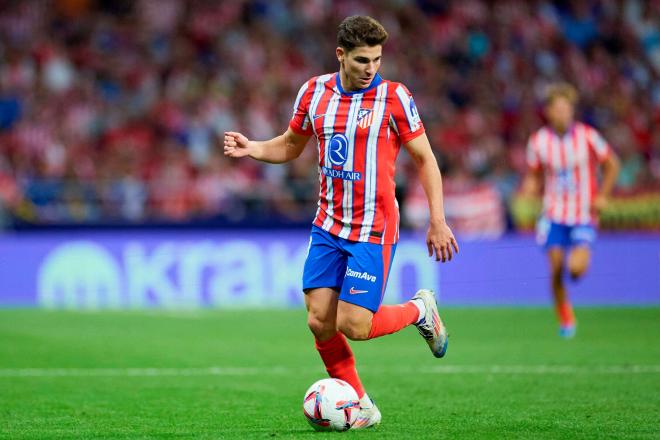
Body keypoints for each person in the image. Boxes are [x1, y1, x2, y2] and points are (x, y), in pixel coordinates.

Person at [224, 15, 459, 429]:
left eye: (378, 59)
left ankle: (420, 309)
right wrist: (253, 148)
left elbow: (425, 159)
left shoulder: (394, 97)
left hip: (373, 228)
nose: (372, 68)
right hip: (328, 226)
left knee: (354, 324)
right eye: (363, 59)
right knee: (318, 320)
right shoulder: (314, 93)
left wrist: (437, 219)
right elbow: (290, 145)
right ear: (341, 55)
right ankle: (363, 407)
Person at [521, 82, 619, 338]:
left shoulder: (588, 136)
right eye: (559, 109)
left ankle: (571, 285)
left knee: (575, 270)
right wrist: (529, 189)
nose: (564, 113)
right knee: (555, 268)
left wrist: (604, 196)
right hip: (553, 213)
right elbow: (533, 174)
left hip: (584, 214)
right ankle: (565, 318)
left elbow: (612, 164)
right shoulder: (539, 141)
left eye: (568, 109)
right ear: (549, 112)